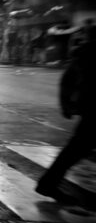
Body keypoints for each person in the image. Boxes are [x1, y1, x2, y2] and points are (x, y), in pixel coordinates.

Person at [35, 25, 96, 204]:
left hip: (89, 108)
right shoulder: (88, 52)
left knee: (75, 150)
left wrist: (67, 103)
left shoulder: (86, 51)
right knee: (75, 150)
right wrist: (67, 103)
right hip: (92, 109)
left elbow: (67, 80)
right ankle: (48, 183)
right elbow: (69, 79)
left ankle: (48, 183)